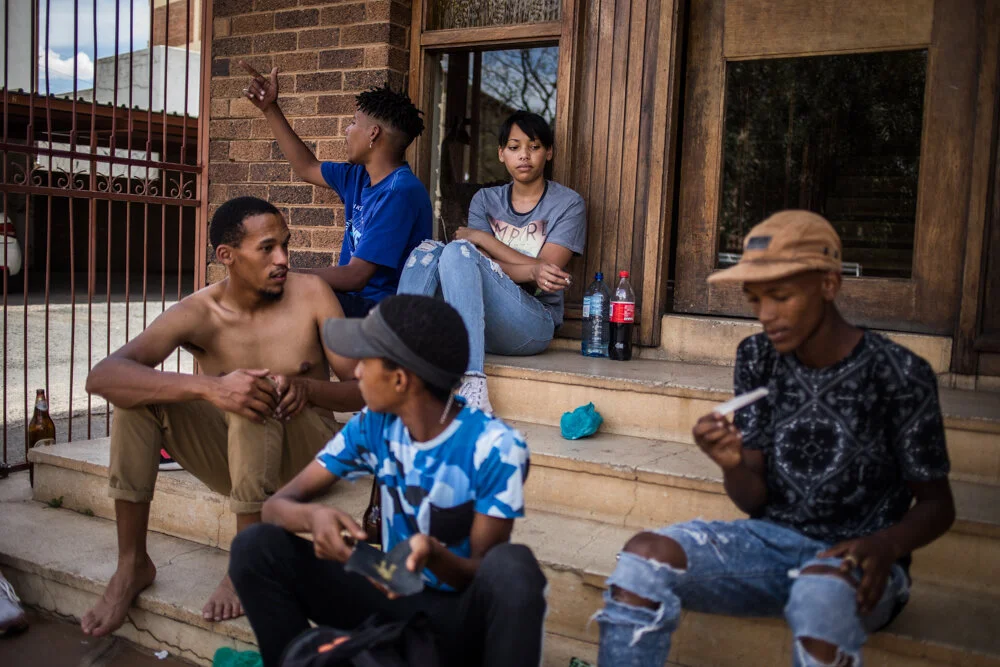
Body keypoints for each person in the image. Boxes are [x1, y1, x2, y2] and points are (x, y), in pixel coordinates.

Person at [595, 211, 956, 667]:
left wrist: (886, 546)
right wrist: (731, 463)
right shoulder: (758, 357)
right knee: (643, 558)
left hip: (858, 566)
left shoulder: (900, 374)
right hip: (770, 546)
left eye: (781, 297)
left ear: (828, 285)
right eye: (755, 299)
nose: (765, 315)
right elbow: (753, 499)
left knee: (819, 593)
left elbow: (938, 506)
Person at [80, 196, 364, 637]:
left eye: (285, 245)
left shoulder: (313, 294)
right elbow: (102, 377)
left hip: (309, 452)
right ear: (226, 256)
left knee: (254, 390)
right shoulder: (199, 312)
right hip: (234, 458)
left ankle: (244, 558)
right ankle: (132, 563)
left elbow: (361, 391)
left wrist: (307, 388)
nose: (283, 259)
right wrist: (210, 387)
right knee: (137, 399)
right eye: (267, 248)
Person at [229, 294, 546, 667]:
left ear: (399, 379)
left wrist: (433, 554)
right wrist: (313, 519)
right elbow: (275, 507)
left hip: (458, 617)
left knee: (514, 566)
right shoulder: (373, 425)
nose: (357, 372)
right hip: (389, 585)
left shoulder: (495, 447)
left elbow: (480, 572)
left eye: (365, 361)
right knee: (256, 547)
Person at [398, 111, 586, 413]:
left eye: (534, 147)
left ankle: (473, 384)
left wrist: (485, 240)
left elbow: (545, 270)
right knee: (428, 251)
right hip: (478, 319)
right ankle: (400, 370)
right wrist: (528, 268)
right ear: (501, 154)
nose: (524, 155)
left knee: (460, 252)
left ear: (548, 152)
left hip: (533, 322)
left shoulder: (568, 203)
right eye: (514, 147)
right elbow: (484, 265)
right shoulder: (486, 200)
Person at [241, 61, 432, 318]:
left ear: (373, 133)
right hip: (348, 301)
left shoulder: (400, 192)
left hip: (380, 313)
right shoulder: (358, 176)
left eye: (354, 123)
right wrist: (270, 108)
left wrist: (282, 275)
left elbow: (356, 276)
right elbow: (306, 167)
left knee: (276, 300)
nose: (347, 130)